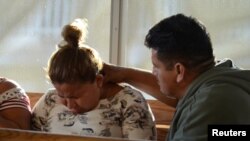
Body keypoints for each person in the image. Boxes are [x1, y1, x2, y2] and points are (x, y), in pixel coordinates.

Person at [101, 13, 250, 141]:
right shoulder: (221, 80)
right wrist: (122, 74)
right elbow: (178, 95)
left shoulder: (209, 104)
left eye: (156, 66)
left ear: (179, 70)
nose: (153, 72)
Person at [31, 18, 156, 140]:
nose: (69, 105)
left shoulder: (129, 103)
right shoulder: (49, 101)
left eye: (75, 97)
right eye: (62, 96)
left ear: (98, 81)